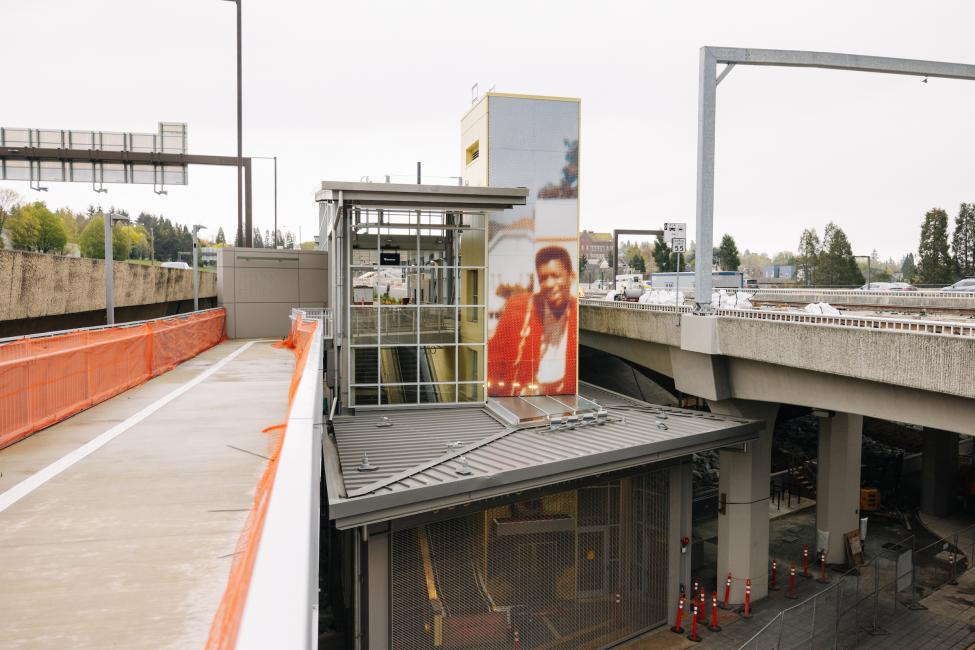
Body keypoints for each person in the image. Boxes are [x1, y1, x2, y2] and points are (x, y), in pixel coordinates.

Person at [488, 246, 577, 396]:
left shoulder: (576, 313)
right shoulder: (518, 307)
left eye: (555, 276)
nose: (549, 284)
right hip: (520, 398)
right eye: (543, 278)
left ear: (571, 277)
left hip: (563, 398)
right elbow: (493, 361)